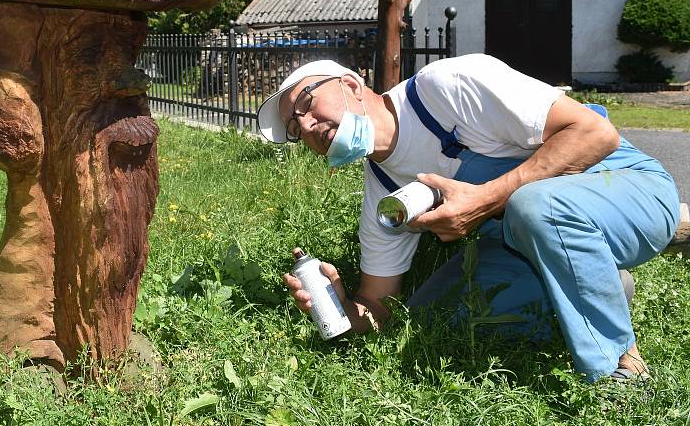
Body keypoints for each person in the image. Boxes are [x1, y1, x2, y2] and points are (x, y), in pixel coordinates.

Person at [256, 55, 680, 383]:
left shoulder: (446, 89)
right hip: (529, 242)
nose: (307, 125)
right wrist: (342, 305)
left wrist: (485, 199)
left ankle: (619, 368)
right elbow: (379, 309)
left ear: (351, 84)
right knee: (424, 318)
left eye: (307, 103)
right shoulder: (383, 189)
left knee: (533, 206)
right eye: (295, 128)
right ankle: (600, 284)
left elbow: (595, 135)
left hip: (625, 187)